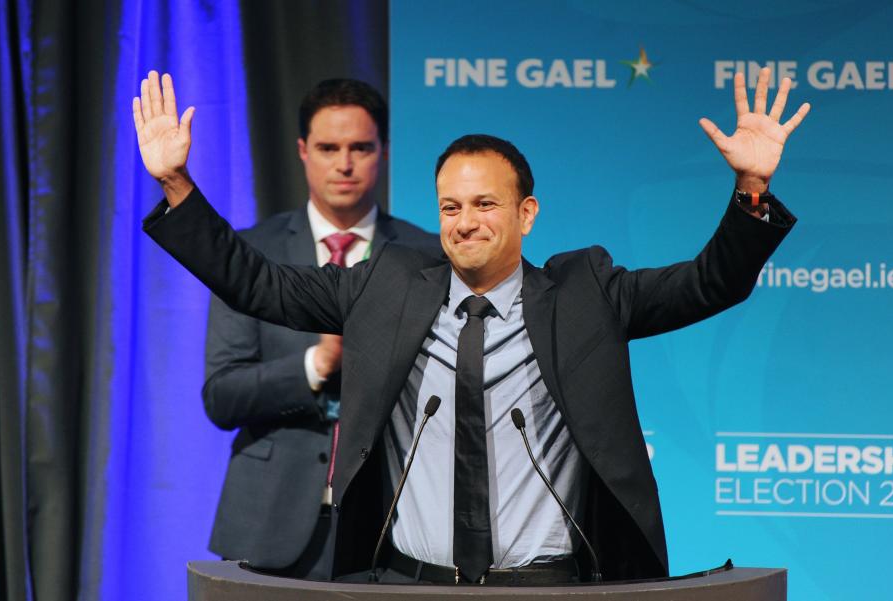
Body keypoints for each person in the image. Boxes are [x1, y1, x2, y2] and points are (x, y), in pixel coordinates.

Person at [133, 67, 809, 584]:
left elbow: (709, 281)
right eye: (450, 205)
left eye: (486, 203)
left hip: (549, 585)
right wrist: (177, 187)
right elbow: (257, 282)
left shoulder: (585, 292)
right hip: (409, 583)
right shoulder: (386, 285)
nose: (464, 221)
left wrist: (751, 190)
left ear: (527, 213)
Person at [196, 79, 438, 578]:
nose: (344, 164)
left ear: (384, 153)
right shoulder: (251, 254)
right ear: (304, 151)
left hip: (396, 528)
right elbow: (223, 396)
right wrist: (318, 363)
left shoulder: (428, 258)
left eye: (360, 148)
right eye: (329, 148)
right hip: (270, 526)